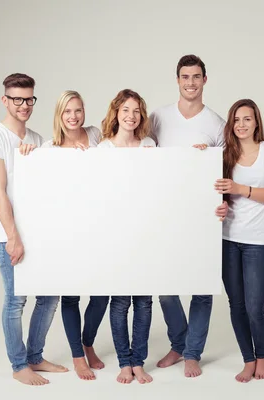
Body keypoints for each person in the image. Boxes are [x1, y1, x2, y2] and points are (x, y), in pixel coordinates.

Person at [0, 73, 67, 386]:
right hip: (9, 235)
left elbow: (48, 188)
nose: (24, 105)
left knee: (50, 296)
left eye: (29, 99)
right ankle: (19, 365)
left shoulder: (37, 139)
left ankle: (35, 357)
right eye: (17, 99)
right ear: (5, 100)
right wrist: (13, 238)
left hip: (38, 234)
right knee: (16, 301)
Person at [20, 90, 109, 381]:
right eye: (67, 111)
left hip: (98, 228)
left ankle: (88, 342)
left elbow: (125, 148)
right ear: (59, 115)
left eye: (78, 110)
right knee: (70, 297)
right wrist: (27, 157)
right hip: (67, 234)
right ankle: (77, 356)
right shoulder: (49, 148)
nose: (73, 116)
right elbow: (40, 188)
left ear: (85, 112)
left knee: (102, 294)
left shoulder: (96, 136)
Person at [148, 54, 225, 378]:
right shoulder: (158, 117)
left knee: (202, 286)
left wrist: (226, 202)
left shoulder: (216, 123)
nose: (190, 82)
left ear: (205, 80)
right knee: (165, 285)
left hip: (203, 216)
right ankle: (178, 343)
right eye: (185, 77)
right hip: (166, 214)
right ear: (177, 80)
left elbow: (226, 170)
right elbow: (140, 155)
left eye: (196, 77)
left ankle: (192, 352)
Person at [214, 99, 264, 382]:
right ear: (230, 124)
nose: (241, 125)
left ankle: (262, 357)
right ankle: (247, 359)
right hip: (227, 238)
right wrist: (200, 157)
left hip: (257, 241)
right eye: (236, 120)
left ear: (256, 122)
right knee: (237, 305)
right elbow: (214, 193)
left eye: (247, 119)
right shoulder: (223, 155)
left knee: (256, 306)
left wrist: (240, 188)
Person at [97, 89, 155, 384]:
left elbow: (162, 186)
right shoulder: (104, 149)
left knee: (144, 302)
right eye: (126, 110)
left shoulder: (149, 144)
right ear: (116, 112)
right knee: (120, 303)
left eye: (137, 111)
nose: (131, 116)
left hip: (146, 235)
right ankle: (124, 362)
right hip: (116, 237)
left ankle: (139, 362)